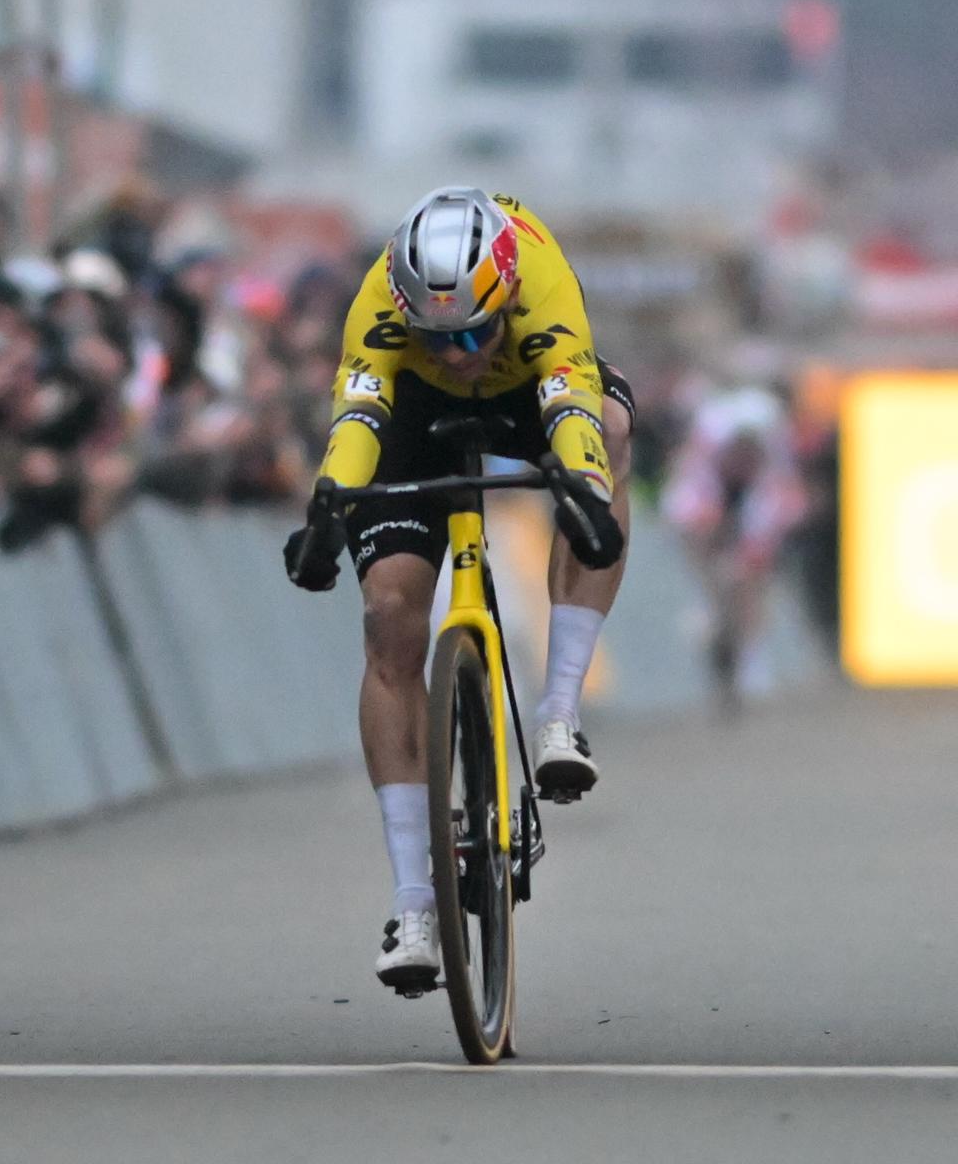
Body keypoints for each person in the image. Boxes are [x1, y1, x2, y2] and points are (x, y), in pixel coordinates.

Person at [282, 187, 634, 992]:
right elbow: (358, 423)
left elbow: (574, 405)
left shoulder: (540, 277)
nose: (458, 351)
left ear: (505, 295)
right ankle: (414, 904)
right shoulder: (382, 304)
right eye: (437, 337)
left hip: (529, 395)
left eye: (476, 330)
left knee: (611, 432)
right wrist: (326, 513)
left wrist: (583, 491)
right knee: (388, 618)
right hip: (413, 417)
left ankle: (558, 717)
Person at [661, 383, 806, 710]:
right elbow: (691, 527)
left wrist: (745, 562)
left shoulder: (769, 484)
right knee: (719, 595)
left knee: (748, 588)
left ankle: (749, 659)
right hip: (702, 524)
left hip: (745, 521)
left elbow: (769, 530)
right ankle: (715, 632)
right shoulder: (695, 483)